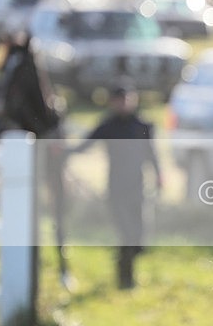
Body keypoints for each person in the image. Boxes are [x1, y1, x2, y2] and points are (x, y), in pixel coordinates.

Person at [68, 83, 162, 289]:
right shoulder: (108, 125)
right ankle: (125, 281)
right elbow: (85, 145)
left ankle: (126, 272)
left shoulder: (143, 125)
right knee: (126, 235)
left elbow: (151, 153)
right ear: (112, 102)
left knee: (138, 238)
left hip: (138, 188)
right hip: (116, 190)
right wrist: (64, 151)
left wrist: (158, 175)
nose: (123, 103)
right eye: (119, 100)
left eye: (127, 99)